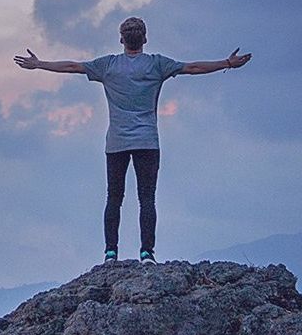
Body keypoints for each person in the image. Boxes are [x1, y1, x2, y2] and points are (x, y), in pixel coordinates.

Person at [14, 16, 251, 265]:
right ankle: (147, 253)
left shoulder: (108, 66)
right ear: (145, 39)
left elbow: (73, 66)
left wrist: (39, 64)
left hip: (116, 142)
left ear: (121, 39)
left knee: (114, 197)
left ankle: (110, 254)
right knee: (147, 198)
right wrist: (227, 63)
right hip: (147, 141)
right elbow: (193, 68)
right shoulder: (158, 65)